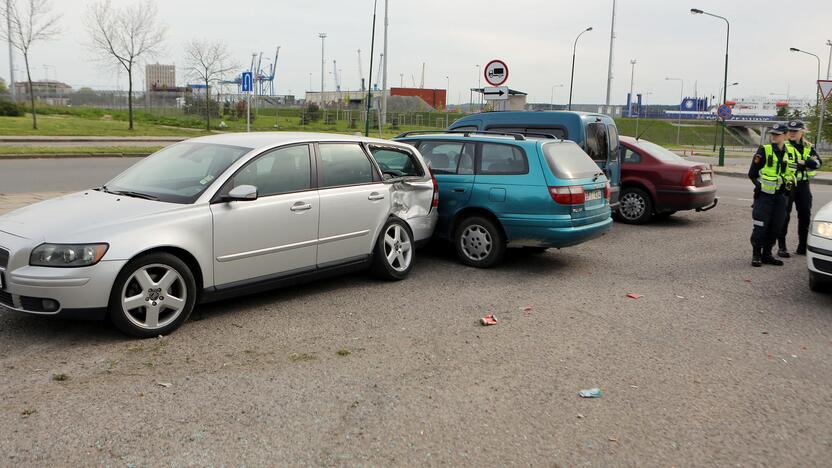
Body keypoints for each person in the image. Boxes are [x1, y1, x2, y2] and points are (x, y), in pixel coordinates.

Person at [748, 123, 795, 267]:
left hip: (781, 197)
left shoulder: (790, 152)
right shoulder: (764, 150)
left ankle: (767, 254)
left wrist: (788, 187)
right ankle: (756, 255)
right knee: (760, 225)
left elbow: (791, 173)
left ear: (786, 135)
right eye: (773, 134)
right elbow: (752, 174)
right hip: (764, 197)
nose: (774, 136)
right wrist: (760, 186)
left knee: (776, 226)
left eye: (778, 134)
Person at [778, 120, 822, 257]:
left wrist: (802, 162)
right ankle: (782, 247)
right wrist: (808, 162)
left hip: (803, 184)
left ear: (802, 131)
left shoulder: (809, 147)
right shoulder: (783, 145)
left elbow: (818, 163)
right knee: (784, 215)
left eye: (795, 131)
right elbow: (781, 161)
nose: (791, 133)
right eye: (790, 131)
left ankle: (802, 246)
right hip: (789, 183)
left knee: (805, 215)